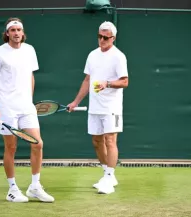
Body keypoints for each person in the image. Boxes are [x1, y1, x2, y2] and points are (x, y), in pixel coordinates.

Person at [0, 17, 54, 203]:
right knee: (11, 147)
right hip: (6, 107)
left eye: (19, 30)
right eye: (13, 30)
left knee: (38, 144)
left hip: (26, 107)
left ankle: (35, 187)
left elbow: (30, 76)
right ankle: (12, 189)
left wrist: (29, 101)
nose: (16, 33)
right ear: (7, 33)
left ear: (23, 33)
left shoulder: (30, 50)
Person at [68, 21, 129, 194]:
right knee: (96, 141)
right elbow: (87, 80)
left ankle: (109, 177)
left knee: (110, 140)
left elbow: (125, 81)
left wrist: (107, 83)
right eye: (99, 36)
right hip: (95, 106)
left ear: (113, 38)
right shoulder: (92, 55)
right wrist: (76, 102)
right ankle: (107, 174)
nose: (101, 40)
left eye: (105, 37)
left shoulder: (119, 56)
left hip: (112, 106)